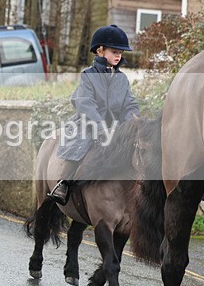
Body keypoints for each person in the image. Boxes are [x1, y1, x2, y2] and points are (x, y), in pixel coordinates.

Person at [48, 25, 140, 205]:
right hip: (87, 123)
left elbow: (130, 104)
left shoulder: (122, 79)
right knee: (80, 144)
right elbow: (85, 103)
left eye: (120, 52)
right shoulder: (88, 76)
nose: (118, 56)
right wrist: (100, 127)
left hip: (116, 127)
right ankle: (63, 183)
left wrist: (130, 124)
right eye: (114, 52)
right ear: (100, 50)